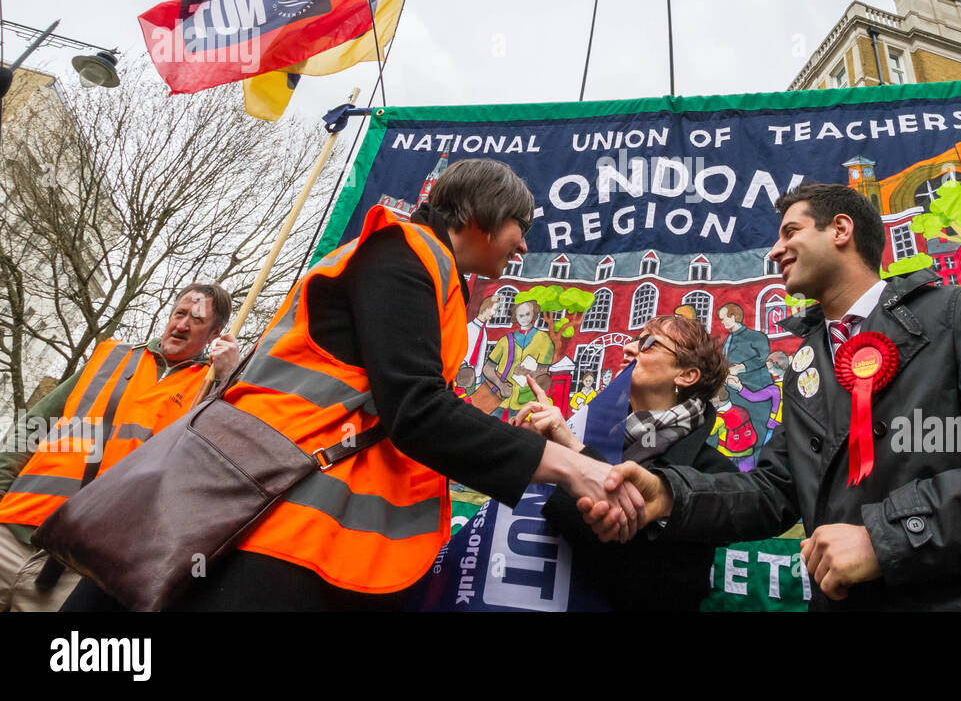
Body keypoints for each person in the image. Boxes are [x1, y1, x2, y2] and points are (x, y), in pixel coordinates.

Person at [60, 158, 643, 611]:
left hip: (276, 510)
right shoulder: (403, 253)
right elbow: (417, 411)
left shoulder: (436, 279)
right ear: (481, 213)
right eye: (521, 225)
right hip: (257, 512)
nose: (524, 244)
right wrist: (570, 466)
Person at [582, 182, 961, 611]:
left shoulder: (953, 316)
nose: (775, 250)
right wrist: (672, 494)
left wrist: (887, 536)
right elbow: (775, 490)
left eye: (790, 232)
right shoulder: (807, 363)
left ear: (841, 230)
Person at [0, 284, 239, 611]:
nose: (181, 324)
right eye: (179, 313)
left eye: (195, 319)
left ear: (215, 333)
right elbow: (33, 425)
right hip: (11, 532)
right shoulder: (112, 356)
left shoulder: (211, 390)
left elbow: (225, 460)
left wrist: (228, 380)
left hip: (80, 567)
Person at [512, 314, 737, 611]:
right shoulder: (588, 432)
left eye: (649, 344)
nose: (629, 348)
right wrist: (538, 451)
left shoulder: (713, 474)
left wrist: (573, 452)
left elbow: (654, 585)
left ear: (686, 375)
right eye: (634, 339)